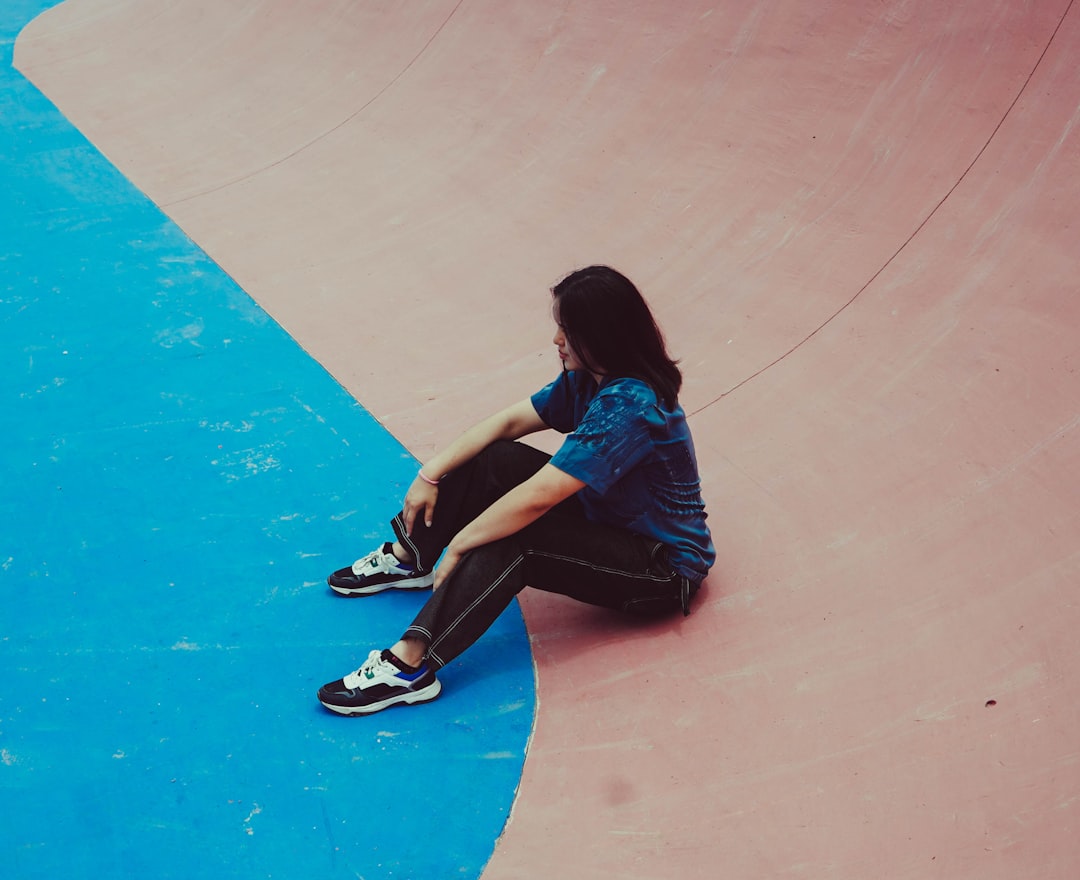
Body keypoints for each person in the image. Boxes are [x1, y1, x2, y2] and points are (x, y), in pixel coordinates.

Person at [317, 266, 715, 716]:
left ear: (601, 335)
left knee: (516, 540)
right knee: (493, 458)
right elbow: (505, 424)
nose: (556, 340)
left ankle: (410, 666)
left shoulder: (629, 407)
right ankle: (413, 559)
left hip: (661, 568)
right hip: (605, 518)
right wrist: (428, 475)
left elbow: (539, 498)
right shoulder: (590, 379)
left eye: (567, 329)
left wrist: (462, 544)